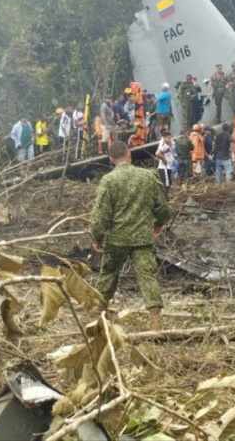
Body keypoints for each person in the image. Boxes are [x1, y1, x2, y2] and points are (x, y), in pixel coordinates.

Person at [90, 141, 172, 331]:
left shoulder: (109, 181)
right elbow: (162, 207)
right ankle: (155, 320)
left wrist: (97, 238)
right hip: (142, 238)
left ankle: (98, 310)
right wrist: (158, 224)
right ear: (130, 155)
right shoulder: (148, 177)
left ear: (111, 159)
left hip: (117, 238)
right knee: (147, 277)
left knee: (109, 273)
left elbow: (100, 215)